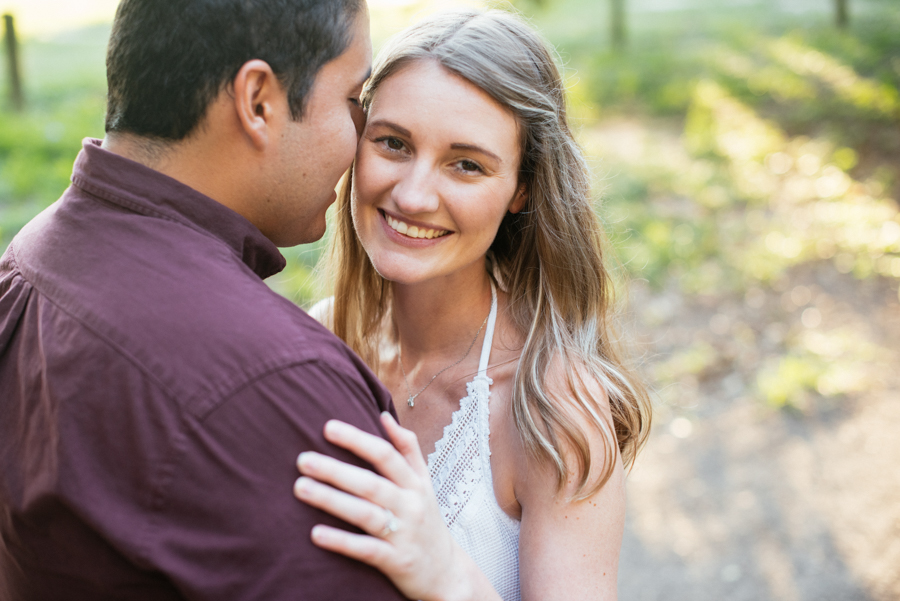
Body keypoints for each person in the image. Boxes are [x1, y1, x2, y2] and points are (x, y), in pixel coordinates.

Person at [0, 1, 408, 599]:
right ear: (259, 102)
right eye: (353, 99)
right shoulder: (278, 385)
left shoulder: (28, 264)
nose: (361, 138)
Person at [294, 9, 652, 601]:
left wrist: (444, 574)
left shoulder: (554, 408)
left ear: (523, 188)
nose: (411, 194)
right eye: (393, 143)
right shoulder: (322, 340)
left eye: (466, 164)